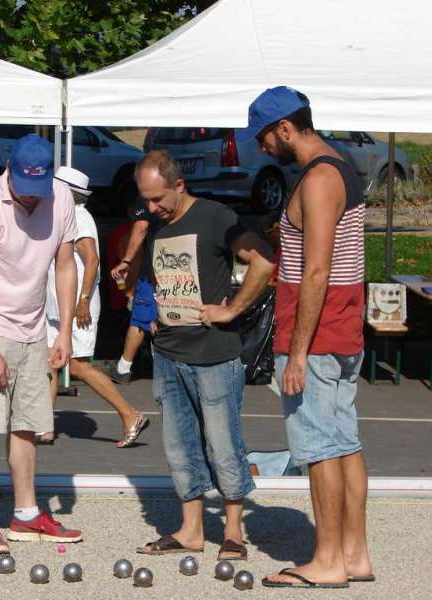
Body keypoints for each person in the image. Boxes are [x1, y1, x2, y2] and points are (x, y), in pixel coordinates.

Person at [241, 87, 371, 590]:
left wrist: (296, 351)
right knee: (344, 443)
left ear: (286, 128)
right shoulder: (341, 166)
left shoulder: (318, 179)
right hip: (342, 327)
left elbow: (317, 271)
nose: (262, 147)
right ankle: (354, 555)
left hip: (316, 334)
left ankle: (327, 560)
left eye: (264, 136)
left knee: (318, 447)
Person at [134, 150, 275, 560]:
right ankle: (191, 529)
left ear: (179, 185)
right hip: (168, 354)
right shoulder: (157, 227)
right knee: (180, 447)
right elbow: (156, 278)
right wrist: (154, 316)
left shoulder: (215, 216)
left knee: (224, 443)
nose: (152, 207)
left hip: (214, 355)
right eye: (146, 199)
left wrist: (232, 308)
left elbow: (263, 261)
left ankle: (233, 532)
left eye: (158, 198)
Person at [0, 134, 82, 555]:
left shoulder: (60, 197)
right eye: (25, 192)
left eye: (38, 192)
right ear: (8, 171)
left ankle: (26, 513)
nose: (32, 201)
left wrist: (64, 330)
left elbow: (66, 266)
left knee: (27, 421)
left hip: (33, 326)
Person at [40, 166, 149, 447]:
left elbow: (92, 261)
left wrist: (84, 300)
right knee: (51, 363)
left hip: (78, 304)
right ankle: (45, 426)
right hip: (60, 304)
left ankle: (129, 414)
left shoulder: (79, 216)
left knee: (76, 366)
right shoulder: (64, 215)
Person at [108, 199, 162, 383]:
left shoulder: (145, 205)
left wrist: (126, 261)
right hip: (177, 267)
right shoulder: (183, 200)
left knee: (141, 319)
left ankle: (124, 368)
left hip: (151, 273)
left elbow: (140, 227)